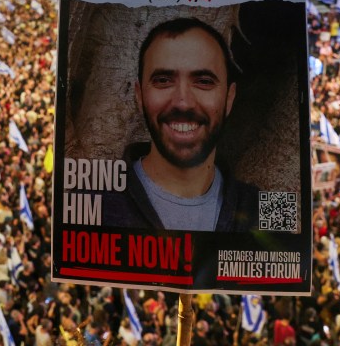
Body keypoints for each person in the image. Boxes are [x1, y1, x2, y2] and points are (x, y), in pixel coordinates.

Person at [103, 17, 259, 232]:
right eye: (163, 81)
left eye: (204, 82)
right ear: (139, 97)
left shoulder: (261, 207)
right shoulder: (95, 204)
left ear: (229, 98)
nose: (183, 102)